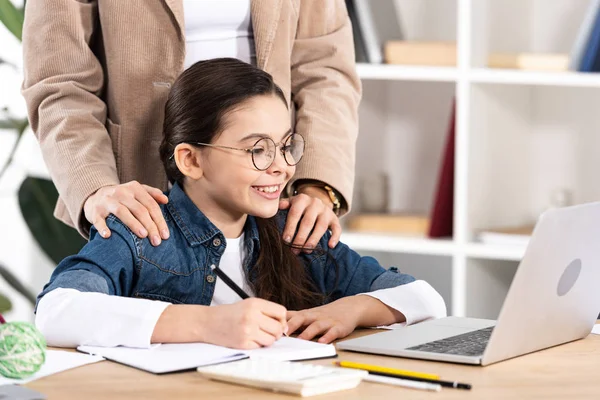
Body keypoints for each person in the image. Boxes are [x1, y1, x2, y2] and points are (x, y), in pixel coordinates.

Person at [35, 59, 445, 349]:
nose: (282, 167)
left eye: (286, 146)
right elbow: (56, 312)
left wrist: (350, 310)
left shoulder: (292, 233)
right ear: (191, 159)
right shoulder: (145, 232)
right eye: (257, 150)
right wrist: (207, 324)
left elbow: (426, 299)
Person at [21, 0, 361, 251]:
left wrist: (318, 184)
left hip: (271, 195)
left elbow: (326, 69)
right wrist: (96, 187)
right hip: (138, 198)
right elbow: (60, 82)